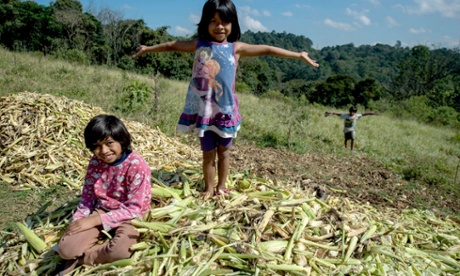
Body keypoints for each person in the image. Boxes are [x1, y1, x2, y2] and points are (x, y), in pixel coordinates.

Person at [132, 0, 319, 198]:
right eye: (213, 21)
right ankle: (209, 188)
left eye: (225, 21)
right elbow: (172, 45)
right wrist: (148, 48)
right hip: (204, 111)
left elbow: (268, 49)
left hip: (225, 112)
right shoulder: (199, 45)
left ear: (232, 24)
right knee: (207, 154)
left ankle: (221, 187)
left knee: (224, 153)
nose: (219, 26)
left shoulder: (235, 48)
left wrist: (298, 55)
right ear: (205, 23)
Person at [55, 115, 151, 275]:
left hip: (130, 217)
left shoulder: (137, 166)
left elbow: (134, 209)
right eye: (97, 146)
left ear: (122, 139)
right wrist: (79, 222)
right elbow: (87, 199)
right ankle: (76, 256)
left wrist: (95, 220)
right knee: (66, 248)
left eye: (109, 143)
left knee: (120, 251)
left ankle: (81, 260)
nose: (104, 151)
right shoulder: (95, 163)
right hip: (103, 210)